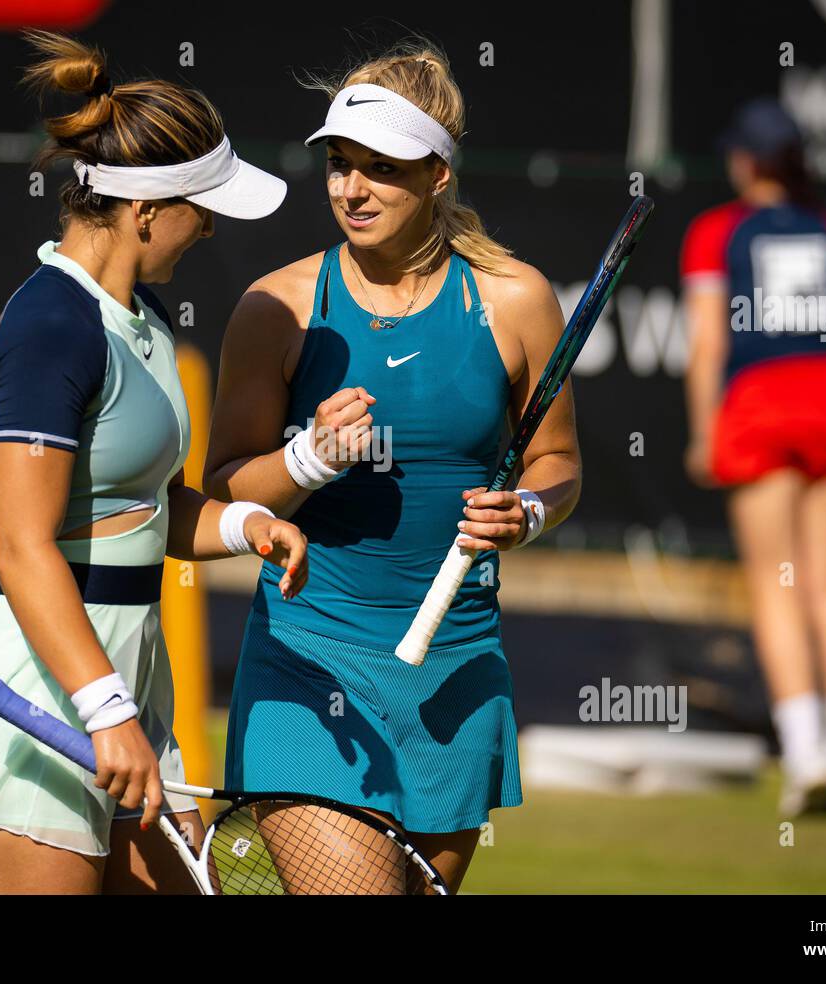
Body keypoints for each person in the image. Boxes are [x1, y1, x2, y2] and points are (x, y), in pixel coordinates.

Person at [0, 32, 308, 894]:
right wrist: (106, 710)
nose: (211, 225)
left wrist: (248, 523)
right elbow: (28, 546)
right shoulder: (49, 327)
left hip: (128, 686)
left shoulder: (140, 317)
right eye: (201, 205)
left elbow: (141, 508)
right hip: (44, 695)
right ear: (145, 213)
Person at [204, 40, 582, 893]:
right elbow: (224, 483)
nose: (352, 189)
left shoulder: (517, 298)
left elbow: (559, 459)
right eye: (340, 165)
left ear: (438, 176)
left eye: (382, 168)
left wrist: (527, 512)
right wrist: (306, 460)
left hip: (457, 672)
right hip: (307, 665)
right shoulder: (277, 305)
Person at [680, 98, 826, 815]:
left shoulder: (718, 231)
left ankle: (808, 760)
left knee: (776, 587)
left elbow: (709, 342)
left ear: (745, 163)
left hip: (762, 404)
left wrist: (703, 430)